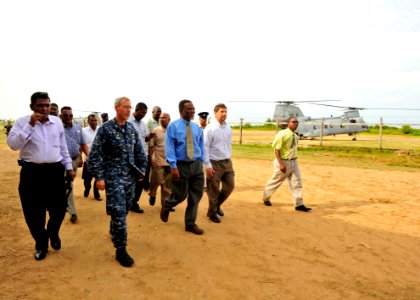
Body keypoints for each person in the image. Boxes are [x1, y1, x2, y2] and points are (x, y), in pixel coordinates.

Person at [7, 92, 75, 260]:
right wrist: (30, 125)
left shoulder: (57, 122)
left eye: (47, 105)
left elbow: (62, 147)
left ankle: (52, 232)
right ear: (32, 107)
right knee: (33, 213)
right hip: (32, 173)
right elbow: (13, 145)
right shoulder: (22, 122)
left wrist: (68, 167)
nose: (44, 109)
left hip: (54, 172)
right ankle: (41, 244)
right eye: (40, 105)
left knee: (59, 209)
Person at [88, 96, 147, 267]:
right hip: (113, 178)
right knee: (120, 213)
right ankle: (121, 249)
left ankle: (114, 228)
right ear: (116, 108)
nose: (129, 110)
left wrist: (142, 169)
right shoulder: (105, 129)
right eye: (125, 107)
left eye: (130, 107)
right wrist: (99, 177)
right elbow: (95, 155)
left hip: (130, 178)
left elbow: (139, 152)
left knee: (125, 209)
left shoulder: (130, 129)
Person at [160, 100, 205, 235]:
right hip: (181, 166)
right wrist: (173, 166)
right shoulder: (173, 127)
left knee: (195, 196)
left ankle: (190, 224)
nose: (192, 112)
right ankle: (168, 205)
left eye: (193, 109)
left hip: (196, 165)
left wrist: (202, 162)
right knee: (180, 195)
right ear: (181, 110)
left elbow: (200, 146)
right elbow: (170, 148)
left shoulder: (197, 128)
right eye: (188, 110)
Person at [262, 117, 311, 212]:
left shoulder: (295, 136)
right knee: (275, 181)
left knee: (297, 183)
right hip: (283, 161)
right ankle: (266, 198)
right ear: (288, 123)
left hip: (294, 162)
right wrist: (281, 164)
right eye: (293, 122)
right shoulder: (282, 134)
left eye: (297, 122)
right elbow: (277, 149)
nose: (295, 124)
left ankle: (299, 204)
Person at [204, 103, 235, 223]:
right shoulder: (210, 128)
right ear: (215, 112)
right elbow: (205, 147)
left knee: (230, 186)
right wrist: (208, 165)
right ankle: (212, 213)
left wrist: (229, 158)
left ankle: (217, 206)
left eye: (226, 111)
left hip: (227, 162)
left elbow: (228, 145)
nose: (224, 114)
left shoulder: (228, 127)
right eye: (222, 111)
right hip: (214, 162)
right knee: (213, 190)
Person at [61, 106, 89, 223]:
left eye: (70, 115)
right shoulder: (58, 129)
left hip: (75, 160)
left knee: (68, 184)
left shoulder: (78, 128)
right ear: (60, 116)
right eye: (65, 115)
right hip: (61, 162)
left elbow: (82, 144)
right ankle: (72, 212)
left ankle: (65, 205)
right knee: (67, 185)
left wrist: (88, 156)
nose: (68, 117)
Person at [128, 102, 154, 213]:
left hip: (142, 157)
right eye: (142, 113)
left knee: (141, 181)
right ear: (137, 110)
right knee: (129, 180)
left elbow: (145, 139)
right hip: (131, 157)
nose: (144, 115)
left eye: (145, 113)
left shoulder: (143, 124)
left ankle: (134, 203)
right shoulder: (128, 122)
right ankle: (127, 201)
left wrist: (149, 137)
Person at [148, 112, 172, 207]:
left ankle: (165, 205)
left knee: (167, 186)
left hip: (170, 163)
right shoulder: (155, 131)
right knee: (156, 181)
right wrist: (151, 159)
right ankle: (152, 194)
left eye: (164, 118)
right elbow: (150, 146)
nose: (161, 119)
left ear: (169, 120)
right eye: (161, 118)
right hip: (158, 161)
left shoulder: (173, 131)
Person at [82, 114, 102, 200]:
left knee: (98, 177)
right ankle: (87, 189)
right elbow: (82, 144)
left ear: (97, 121)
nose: (94, 122)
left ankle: (96, 194)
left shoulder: (100, 130)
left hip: (100, 158)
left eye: (95, 120)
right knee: (87, 179)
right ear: (88, 121)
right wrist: (86, 156)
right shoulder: (84, 131)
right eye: (91, 120)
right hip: (88, 159)